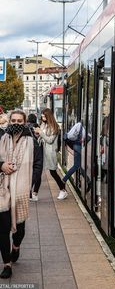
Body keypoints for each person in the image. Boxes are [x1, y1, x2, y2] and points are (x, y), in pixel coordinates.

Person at [0, 110, 42, 279]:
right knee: (2, 229)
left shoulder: (33, 142)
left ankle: (16, 246)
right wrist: (1, 165)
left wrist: (29, 183)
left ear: (24, 123)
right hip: (2, 189)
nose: (16, 123)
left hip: (22, 190)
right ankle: (7, 264)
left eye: (20, 120)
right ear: (9, 121)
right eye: (14, 120)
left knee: (20, 228)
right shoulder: (1, 138)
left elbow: (38, 164)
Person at [34, 108, 67, 200]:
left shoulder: (54, 127)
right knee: (38, 172)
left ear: (48, 116)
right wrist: (37, 134)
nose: (42, 118)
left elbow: (50, 140)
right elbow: (42, 137)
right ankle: (35, 193)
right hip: (41, 151)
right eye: (42, 116)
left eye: (44, 116)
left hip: (50, 152)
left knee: (53, 172)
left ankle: (63, 190)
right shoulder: (43, 125)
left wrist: (40, 132)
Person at [62, 120, 88, 185]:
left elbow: (71, 135)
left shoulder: (78, 126)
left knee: (78, 165)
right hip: (78, 146)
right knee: (77, 165)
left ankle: (88, 180)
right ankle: (64, 179)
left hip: (75, 146)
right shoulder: (81, 127)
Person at [27, 113, 43, 201]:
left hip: (29, 151)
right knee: (38, 172)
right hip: (38, 150)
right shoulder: (37, 126)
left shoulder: (25, 126)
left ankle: (28, 193)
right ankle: (35, 193)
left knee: (29, 171)